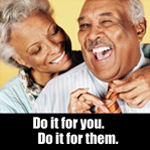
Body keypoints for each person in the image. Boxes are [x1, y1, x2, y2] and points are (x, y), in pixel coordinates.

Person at [31, 0, 150, 113]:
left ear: (139, 29)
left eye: (107, 21)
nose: (92, 35)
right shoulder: (52, 94)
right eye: (85, 25)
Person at [0, 0, 83, 113]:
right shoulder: (8, 104)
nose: (56, 48)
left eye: (54, 32)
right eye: (37, 50)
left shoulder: (95, 61)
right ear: (21, 60)